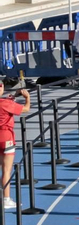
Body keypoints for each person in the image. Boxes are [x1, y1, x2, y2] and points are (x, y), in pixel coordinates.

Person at [0, 77, 30, 210]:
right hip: (6, 136)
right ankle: (6, 198)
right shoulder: (5, 104)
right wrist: (27, 98)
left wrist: (13, 96)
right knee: (6, 170)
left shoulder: (6, 102)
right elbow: (25, 109)